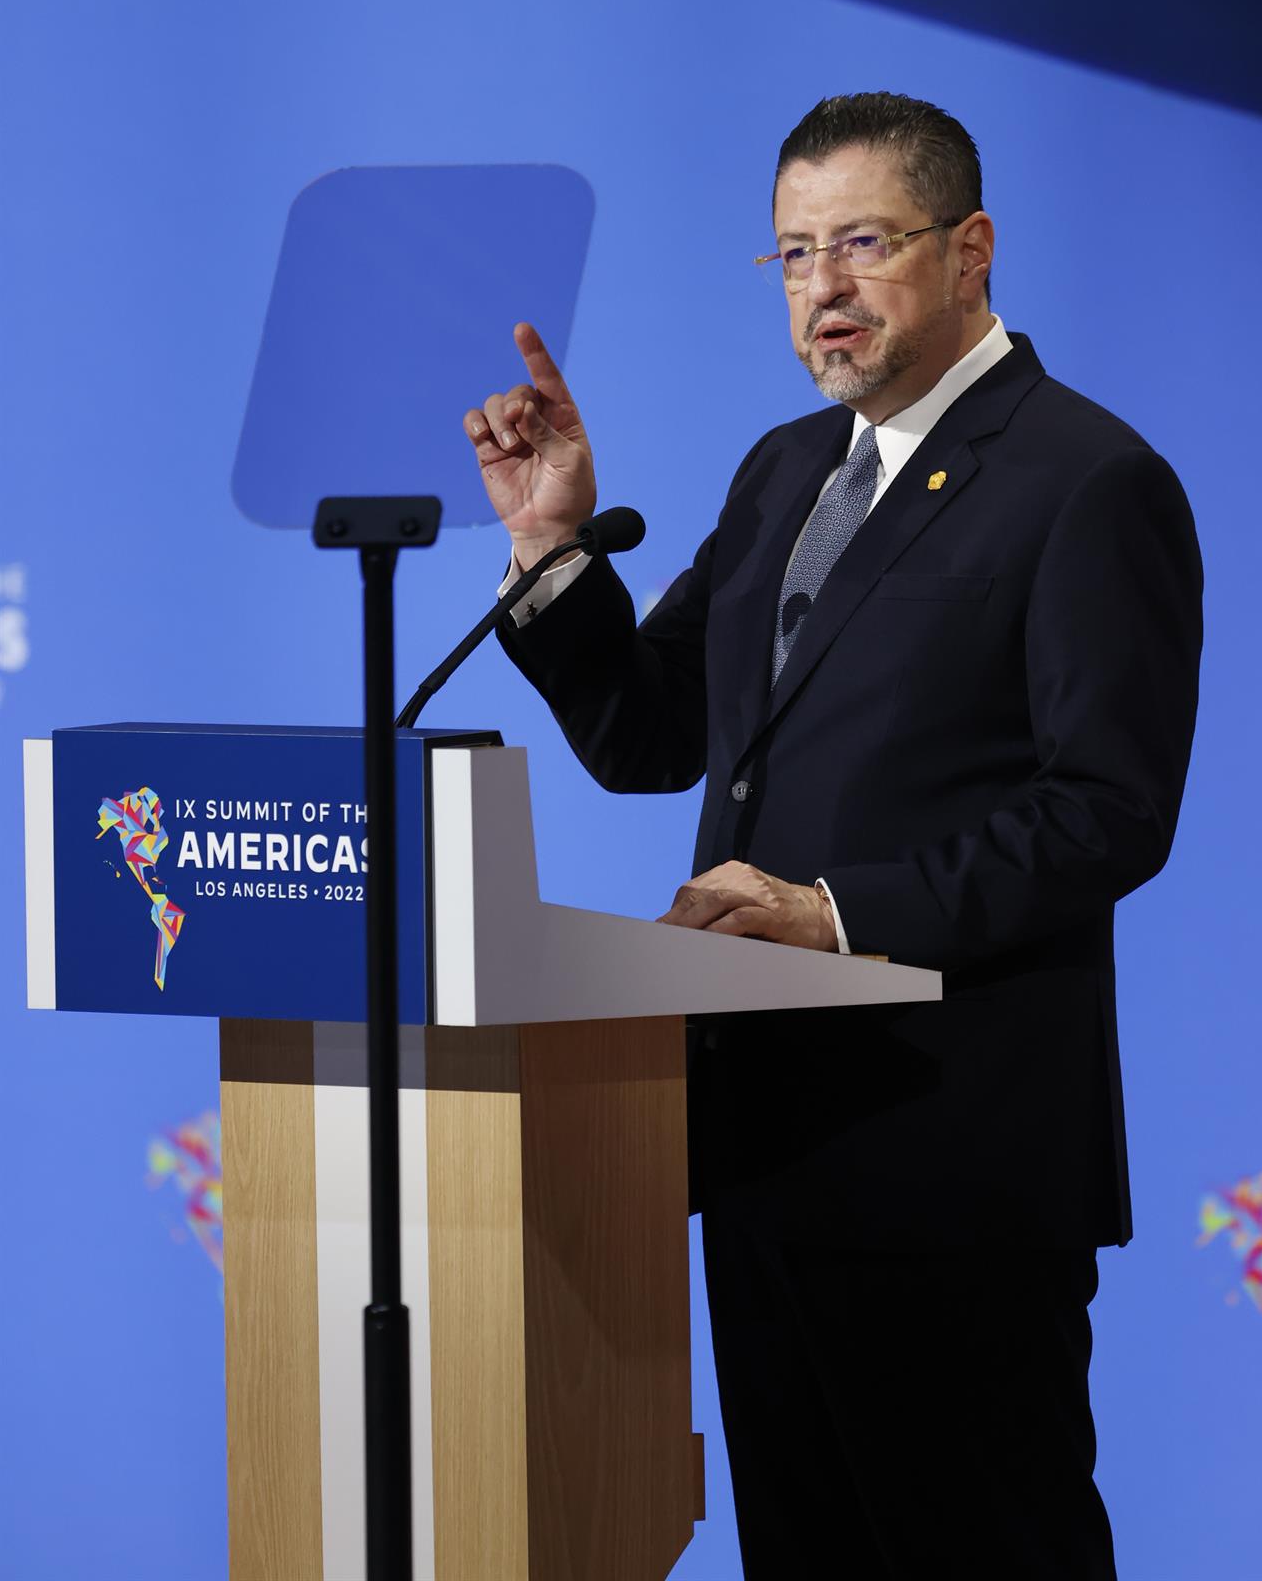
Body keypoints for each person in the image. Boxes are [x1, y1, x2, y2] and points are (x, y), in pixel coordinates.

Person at [463, 92, 1202, 1577]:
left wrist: (836, 915)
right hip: (762, 1149)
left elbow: (1108, 810)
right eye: (794, 256)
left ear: (971, 248)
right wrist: (549, 551)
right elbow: (651, 738)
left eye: (862, 243)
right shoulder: (784, 471)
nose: (823, 290)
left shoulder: (1085, 480)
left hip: (951, 1160)